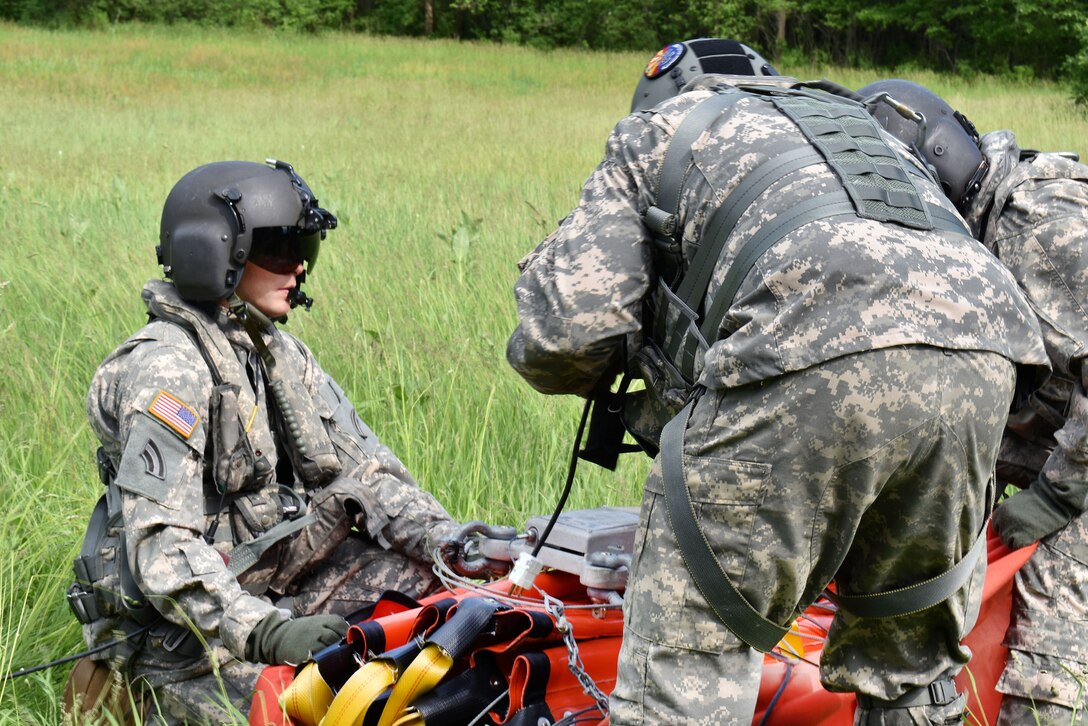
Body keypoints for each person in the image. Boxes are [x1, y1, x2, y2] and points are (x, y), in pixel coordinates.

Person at [505, 38, 1049, 724]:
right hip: (987, 354)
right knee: (910, 675)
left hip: (809, 346)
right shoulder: (851, 122)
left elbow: (566, 339)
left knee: (687, 676)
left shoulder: (658, 131)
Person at [65, 159, 461, 724]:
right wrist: (267, 632)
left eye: (306, 249)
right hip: (182, 641)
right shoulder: (169, 369)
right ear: (215, 254)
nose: (298, 267)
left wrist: (457, 547)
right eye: (277, 251)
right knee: (307, 709)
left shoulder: (277, 354)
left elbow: (367, 472)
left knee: (434, 600)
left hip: (270, 585)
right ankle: (135, 699)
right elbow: (159, 545)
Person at [861, 78, 1088, 725]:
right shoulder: (976, 237)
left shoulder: (1036, 222)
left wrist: (1056, 499)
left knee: (1051, 627)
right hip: (1062, 434)